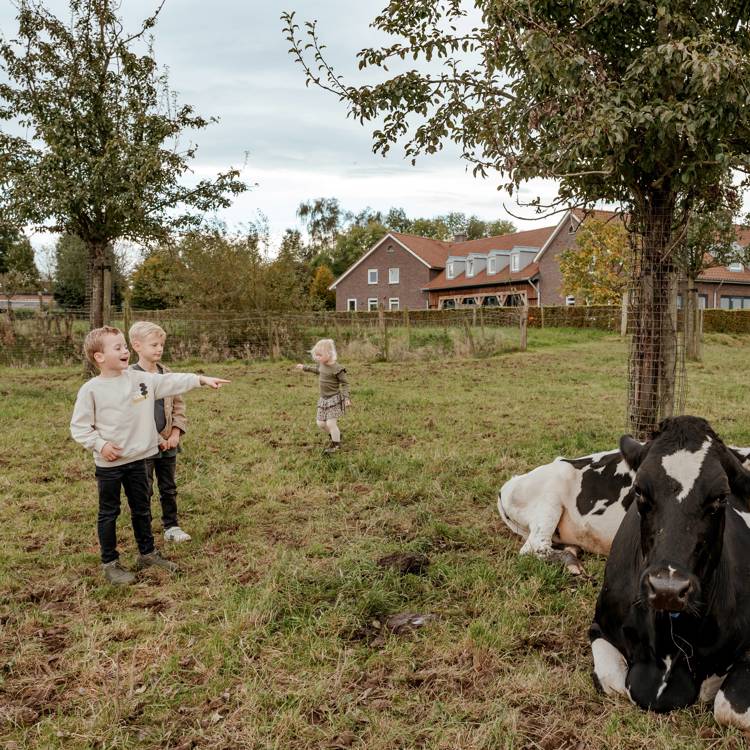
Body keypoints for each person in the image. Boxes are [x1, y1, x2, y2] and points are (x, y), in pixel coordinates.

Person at [70, 326, 229, 585]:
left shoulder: (140, 381)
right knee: (109, 512)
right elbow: (79, 426)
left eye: (124, 346)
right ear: (99, 357)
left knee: (142, 509)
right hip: (110, 465)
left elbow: (171, 381)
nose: (125, 351)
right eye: (118, 348)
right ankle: (110, 563)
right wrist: (99, 445)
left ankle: (147, 553)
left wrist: (200, 379)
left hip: (138, 460)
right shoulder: (91, 390)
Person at [129, 321, 191, 544]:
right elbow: (133, 413)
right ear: (137, 346)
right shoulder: (130, 377)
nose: (159, 349)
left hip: (169, 443)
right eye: (153, 344)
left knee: (169, 486)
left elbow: (178, 405)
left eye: (161, 344)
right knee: (144, 488)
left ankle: (171, 526)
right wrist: (155, 439)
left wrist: (175, 433)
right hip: (144, 446)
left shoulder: (167, 373)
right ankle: (144, 528)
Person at [295, 338, 351, 453]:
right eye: (316, 355)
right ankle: (337, 435)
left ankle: (336, 445)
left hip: (334, 400)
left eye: (319, 355)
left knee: (331, 423)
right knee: (320, 423)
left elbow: (345, 384)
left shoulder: (337, 368)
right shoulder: (322, 365)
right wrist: (304, 367)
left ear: (329, 354)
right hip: (323, 400)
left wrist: (346, 398)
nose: (317, 357)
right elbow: (317, 370)